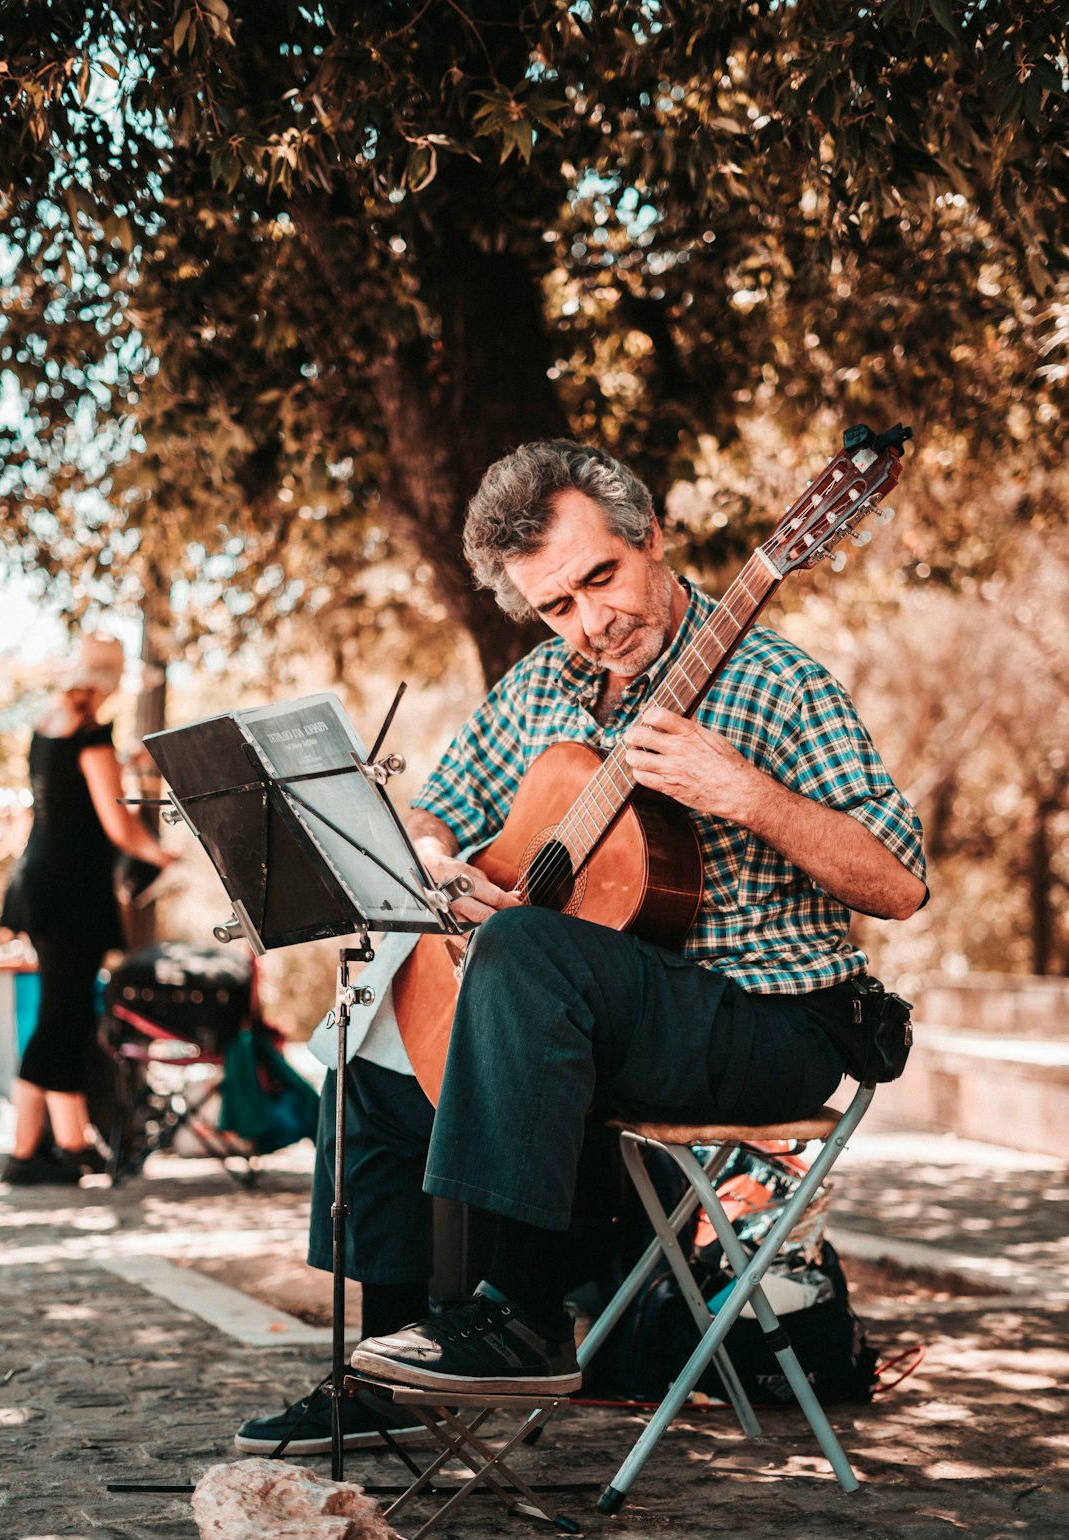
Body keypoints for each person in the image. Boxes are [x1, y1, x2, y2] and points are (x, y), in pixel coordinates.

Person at [235, 439, 926, 1454]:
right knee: (376, 1027)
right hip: (605, 1010)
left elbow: (899, 880)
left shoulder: (778, 681)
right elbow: (438, 812)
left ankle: (520, 1311)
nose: (590, 621)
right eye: (556, 604)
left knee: (523, 946)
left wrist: (743, 792)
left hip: (767, 1016)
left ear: (651, 536)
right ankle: (392, 1367)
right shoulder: (540, 688)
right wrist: (435, 862)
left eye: (600, 576)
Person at [0, 632, 174, 1186]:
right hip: (73, 895)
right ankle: (47, 1149)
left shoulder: (49, 726)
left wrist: (124, 759)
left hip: (38, 883)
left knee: (57, 1016)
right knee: (64, 1019)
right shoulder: (93, 739)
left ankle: (47, 1147)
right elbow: (116, 822)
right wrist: (166, 853)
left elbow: (73, 793)